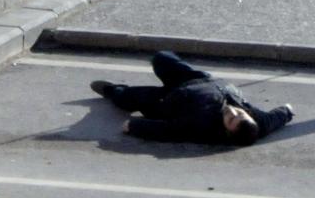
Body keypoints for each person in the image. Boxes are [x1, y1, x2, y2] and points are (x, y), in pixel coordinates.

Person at [90, 51, 295, 146]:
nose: (234, 112)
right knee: (162, 58)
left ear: (226, 130)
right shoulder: (257, 122)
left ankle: (111, 90)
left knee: (126, 97)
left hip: (165, 101)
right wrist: (287, 111)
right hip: (195, 79)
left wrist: (134, 127)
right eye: (240, 114)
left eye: (232, 119)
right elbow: (274, 119)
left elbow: (170, 131)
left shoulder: (201, 125)